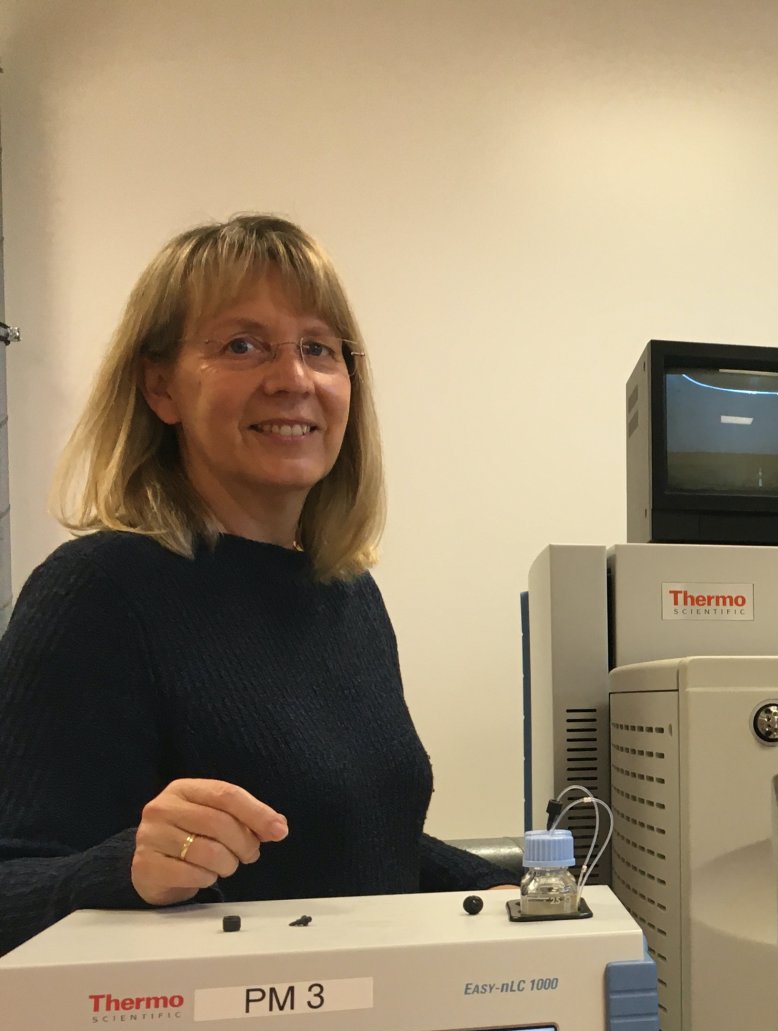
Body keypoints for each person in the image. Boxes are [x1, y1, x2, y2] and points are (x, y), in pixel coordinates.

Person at [0, 214, 513, 956]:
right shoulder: (96, 595)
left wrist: (493, 891)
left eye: (318, 348)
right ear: (160, 386)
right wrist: (125, 871)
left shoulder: (347, 595)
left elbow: (349, 843)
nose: (292, 379)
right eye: (242, 345)